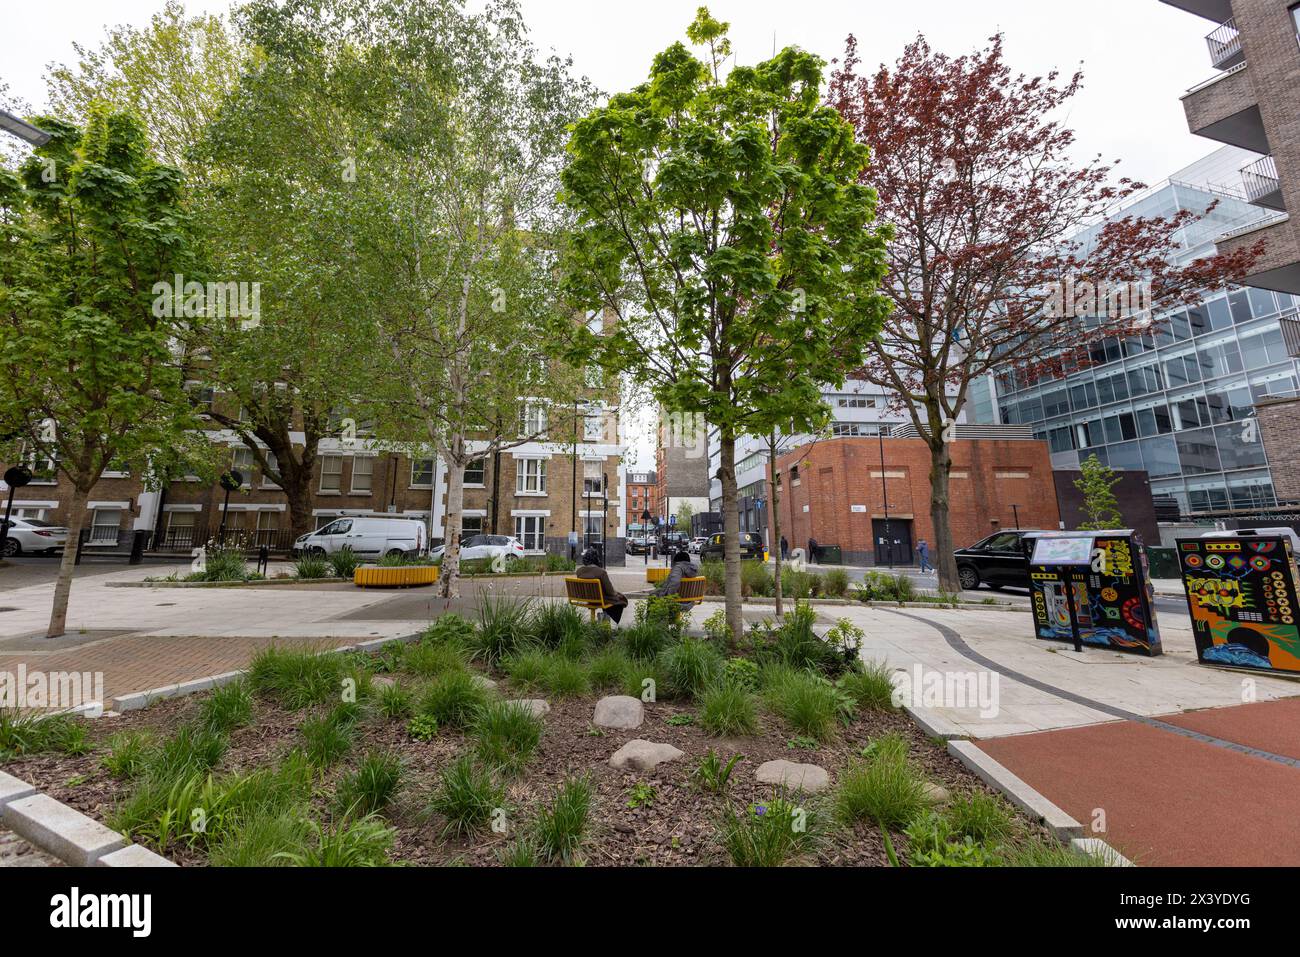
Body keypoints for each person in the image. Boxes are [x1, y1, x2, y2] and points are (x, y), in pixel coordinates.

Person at [575, 546, 628, 624]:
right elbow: (610, 591)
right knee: (621, 599)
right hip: (600, 599)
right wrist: (617, 594)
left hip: (586, 598)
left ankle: (604, 622)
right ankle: (608, 623)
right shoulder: (601, 572)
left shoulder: (579, 571)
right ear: (596, 559)